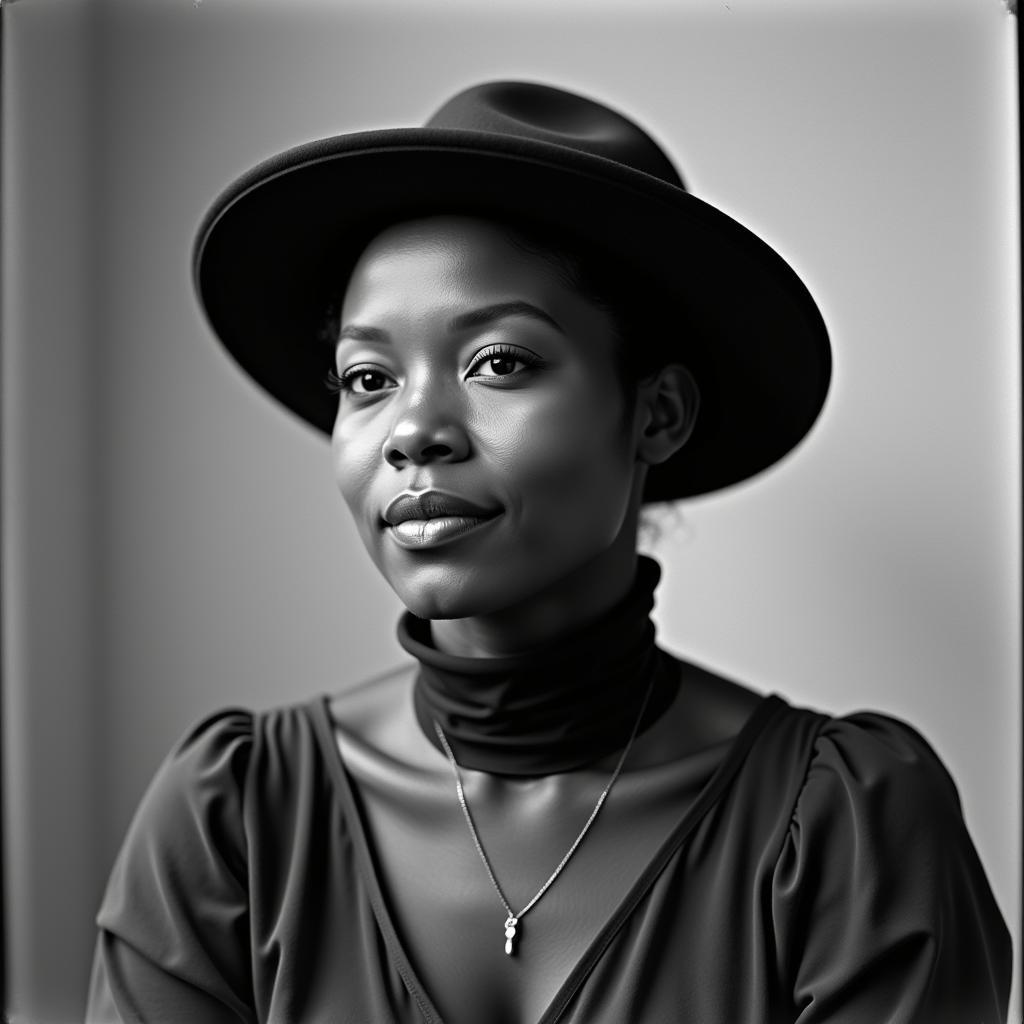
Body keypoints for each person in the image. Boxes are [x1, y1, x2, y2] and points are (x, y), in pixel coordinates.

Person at [86, 81, 1011, 1023]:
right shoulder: (234, 817)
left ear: (656, 414)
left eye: (499, 362)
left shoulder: (850, 828)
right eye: (367, 378)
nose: (413, 431)